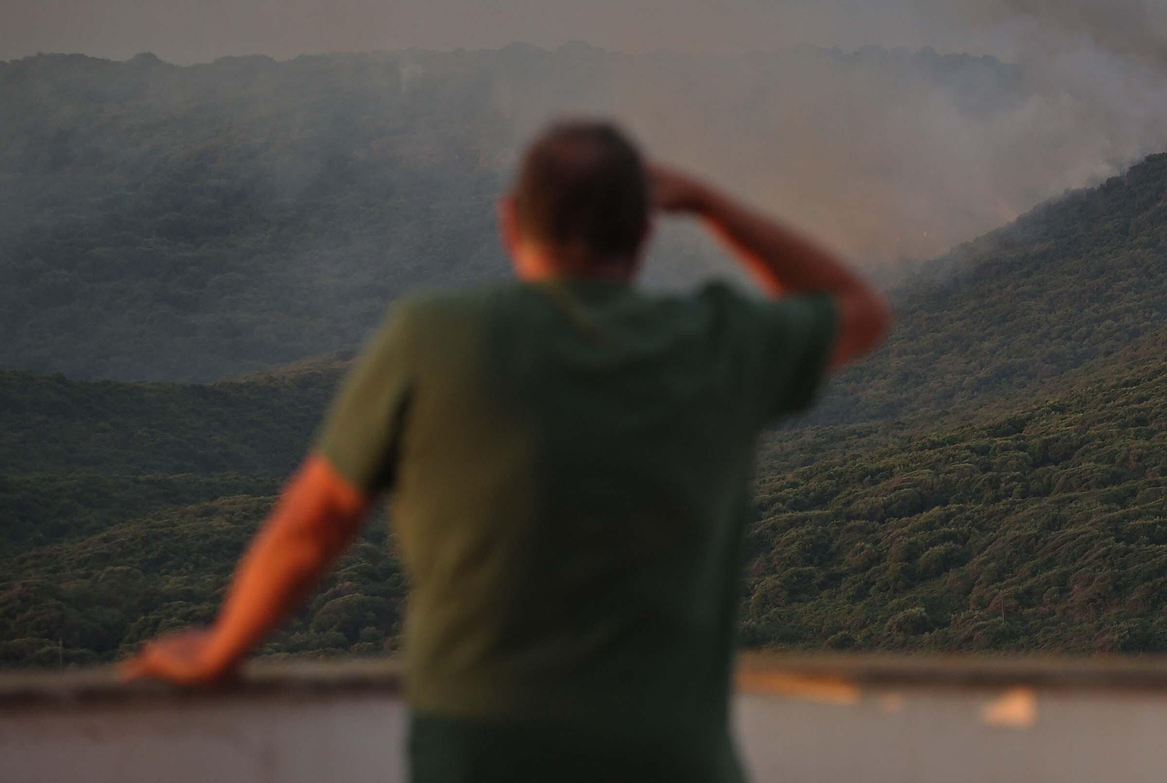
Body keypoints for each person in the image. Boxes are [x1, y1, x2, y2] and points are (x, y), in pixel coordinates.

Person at [121, 120, 891, 781]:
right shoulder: (714, 344)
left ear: (509, 222)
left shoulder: (430, 337)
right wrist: (714, 205)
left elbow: (315, 521)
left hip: (479, 758)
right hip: (667, 762)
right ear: (647, 232)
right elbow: (857, 311)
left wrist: (221, 652)